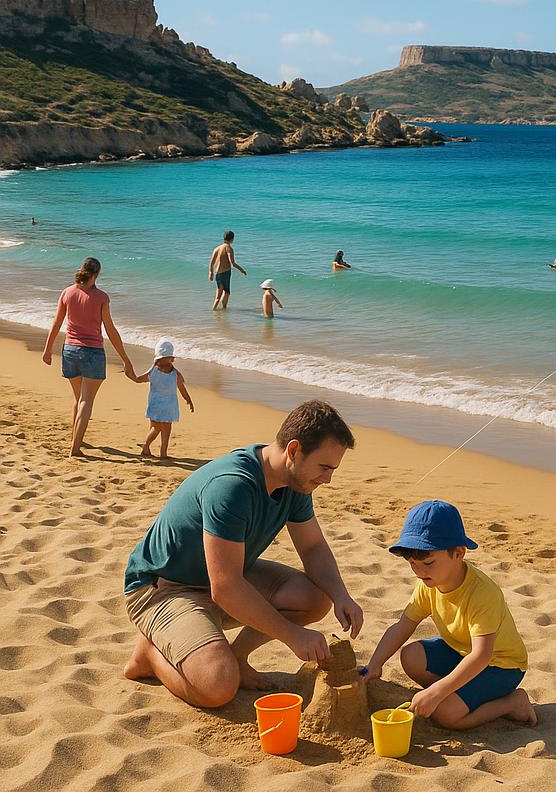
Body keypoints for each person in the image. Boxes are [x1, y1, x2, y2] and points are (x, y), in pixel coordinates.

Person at [122, 400, 364, 708]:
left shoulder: (294, 482)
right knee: (218, 687)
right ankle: (149, 656)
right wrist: (293, 635)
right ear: (293, 450)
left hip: (219, 577)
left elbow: (313, 547)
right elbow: (225, 588)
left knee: (317, 597)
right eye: (324, 467)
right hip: (162, 589)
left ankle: (236, 658)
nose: (327, 479)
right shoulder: (233, 486)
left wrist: (341, 595)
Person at [362, 500, 536, 729]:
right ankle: (459, 695)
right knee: (411, 656)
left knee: (446, 715)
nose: (419, 571)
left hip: (501, 665)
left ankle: (512, 704)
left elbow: (482, 656)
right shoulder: (428, 584)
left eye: (428, 563)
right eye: (413, 563)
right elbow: (403, 625)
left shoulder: (482, 592)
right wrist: (374, 664)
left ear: (458, 553)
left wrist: (436, 692)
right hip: (461, 652)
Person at [41, 257, 136, 457]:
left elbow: (57, 323)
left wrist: (48, 349)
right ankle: (75, 449)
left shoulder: (67, 292)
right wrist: (125, 359)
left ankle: (78, 438)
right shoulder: (101, 297)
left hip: (70, 351)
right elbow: (110, 330)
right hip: (92, 353)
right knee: (86, 401)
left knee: (79, 398)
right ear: (97, 274)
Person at [133, 337, 194, 459]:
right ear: (171, 359)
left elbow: (139, 379)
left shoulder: (153, 372)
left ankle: (148, 448)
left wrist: (131, 375)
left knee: (155, 428)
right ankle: (154, 449)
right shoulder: (175, 374)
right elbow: (182, 389)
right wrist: (188, 400)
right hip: (168, 408)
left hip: (154, 406)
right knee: (165, 430)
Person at [209, 231, 247, 310]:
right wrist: (241, 270)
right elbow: (232, 263)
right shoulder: (229, 248)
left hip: (218, 274)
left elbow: (212, 262)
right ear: (232, 239)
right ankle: (224, 308)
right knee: (227, 292)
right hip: (226, 273)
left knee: (218, 295)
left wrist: (211, 272)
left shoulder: (217, 248)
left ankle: (214, 310)